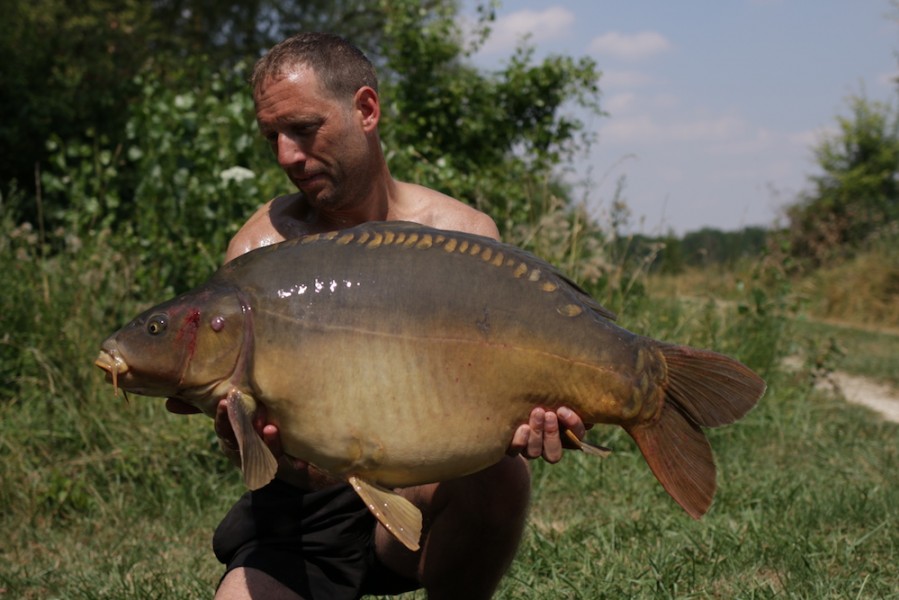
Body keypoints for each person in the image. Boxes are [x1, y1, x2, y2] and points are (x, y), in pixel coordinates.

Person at [166, 32, 588, 599]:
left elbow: (501, 391)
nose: (287, 155)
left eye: (304, 129)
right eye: (273, 136)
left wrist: (533, 416)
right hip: (304, 517)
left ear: (366, 109)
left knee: (501, 475)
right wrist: (253, 443)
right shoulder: (256, 256)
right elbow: (268, 465)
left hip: (425, 483)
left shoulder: (463, 237)